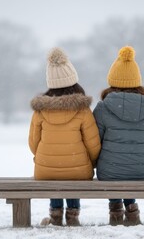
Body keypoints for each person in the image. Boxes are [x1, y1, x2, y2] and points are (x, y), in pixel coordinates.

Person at [29, 47, 101, 226]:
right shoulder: (82, 110)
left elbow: (33, 143)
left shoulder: (40, 111)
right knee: (73, 173)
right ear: (74, 81)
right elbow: (94, 145)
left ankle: (55, 215)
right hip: (78, 170)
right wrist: (90, 163)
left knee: (55, 174)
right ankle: (73, 215)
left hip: (46, 170)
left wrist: (42, 157)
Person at [93, 46, 144, 226]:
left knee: (117, 171)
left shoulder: (103, 108)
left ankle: (115, 209)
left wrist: (100, 161)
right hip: (142, 171)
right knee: (128, 171)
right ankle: (131, 209)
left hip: (109, 171)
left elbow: (95, 142)